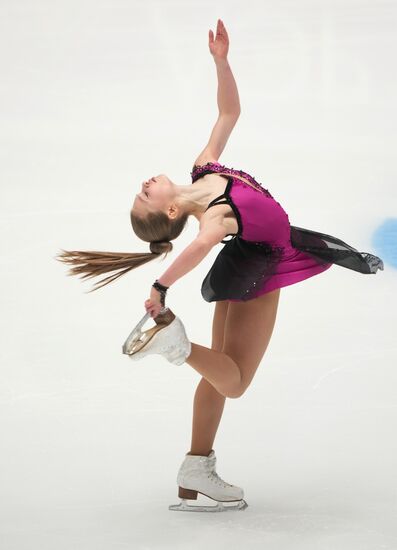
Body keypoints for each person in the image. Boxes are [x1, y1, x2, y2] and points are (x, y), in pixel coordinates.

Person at [55, 19, 384, 512]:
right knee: (236, 379)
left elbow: (229, 111)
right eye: (145, 193)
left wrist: (221, 63)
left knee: (219, 375)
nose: (145, 181)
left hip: (243, 263)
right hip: (259, 269)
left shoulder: (205, 168)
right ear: (170, 212)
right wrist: (161, 286)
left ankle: (196, 464)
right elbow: (201, 246)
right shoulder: (215, 213)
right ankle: (175, 344)